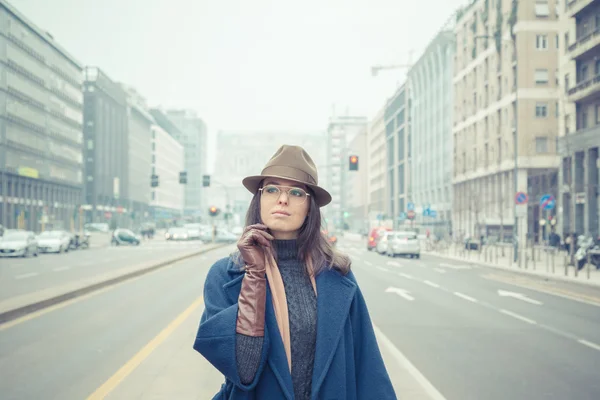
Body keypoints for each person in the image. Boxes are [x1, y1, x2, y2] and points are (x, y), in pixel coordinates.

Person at [193, 145, 396, 399]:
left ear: (310, 207)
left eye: (297, 192)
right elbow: (244, 371)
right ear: (259, 199)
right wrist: (255, 275)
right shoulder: (226, 275)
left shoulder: (337, 274)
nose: (283, 199)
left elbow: (368, 368)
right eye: (272, 189)